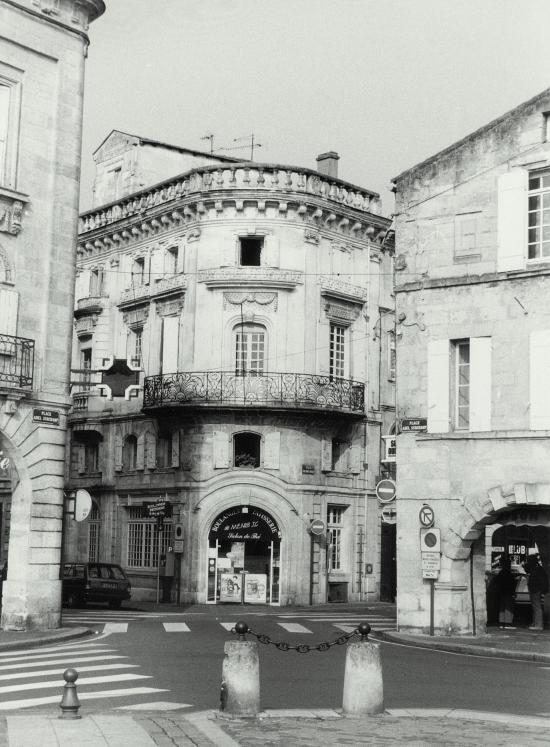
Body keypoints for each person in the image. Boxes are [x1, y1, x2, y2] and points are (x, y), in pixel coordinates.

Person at [524, 554, 549, 631]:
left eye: (529, 561)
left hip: (536, 590)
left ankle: (538, 625)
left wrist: (542, 590)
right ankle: (536, 623)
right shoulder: (536, 568)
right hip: (535, 590)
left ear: (533, 561)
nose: (528, 563)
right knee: (535, 607)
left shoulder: (538, 570)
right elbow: (527, 569)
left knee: (537, 607)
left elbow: (543, 581)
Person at [494, 556, 516, 629]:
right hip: (508, 592)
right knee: (508, 607)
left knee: (502, 607)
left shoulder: (501, 573)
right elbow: (512, 584)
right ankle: (508, 623)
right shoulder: (509, 573)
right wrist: (513, 592)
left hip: (501, 592)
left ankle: (501, 623)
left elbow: (497, 582)